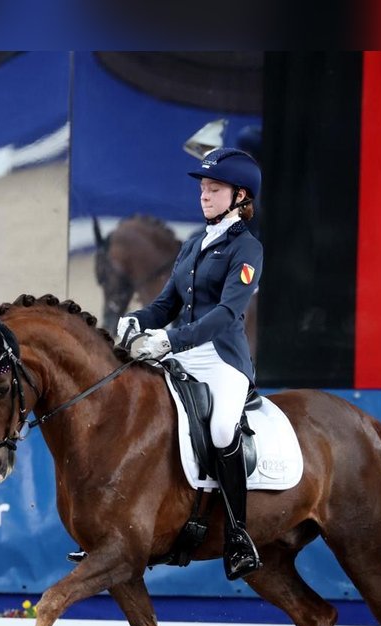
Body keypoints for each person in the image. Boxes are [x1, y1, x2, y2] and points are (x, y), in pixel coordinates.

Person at [71, 147, 264, 580]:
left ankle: (238, 535)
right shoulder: (195, 243)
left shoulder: (247, 250)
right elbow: (164, 303)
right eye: (203, 188)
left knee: (219, 428)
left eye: (214, 189)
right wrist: (136, 321)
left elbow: (226, 315)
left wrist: (169, 339)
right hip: (183, 354)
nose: (204, 195)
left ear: (240, 196)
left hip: (223, 361)